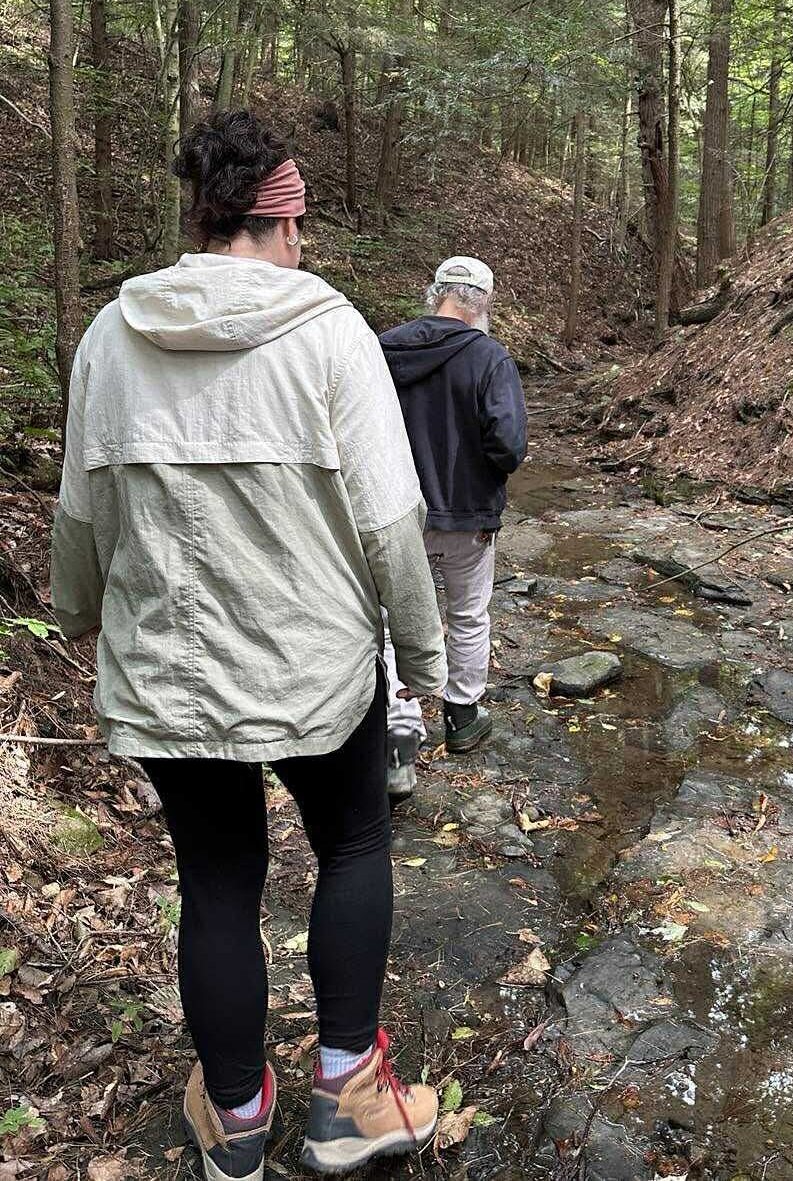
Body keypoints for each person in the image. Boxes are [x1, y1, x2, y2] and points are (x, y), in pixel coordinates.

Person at [50, 110, 446, 1180]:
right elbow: (388, 521)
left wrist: (78, 611)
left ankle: (234, 1118)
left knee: (218, 881)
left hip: (170, 671)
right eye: (298, 223)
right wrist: (427, 661)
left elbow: (84, 510)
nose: (303, 242)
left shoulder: (112, 337)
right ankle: (347, 1096)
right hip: (317, 666)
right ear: (279, 223)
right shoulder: (331, 334)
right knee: (353, 844)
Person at [378, 257, 528, 795]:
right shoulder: (490, 357)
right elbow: (508, 446)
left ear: (434, 293)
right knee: (467, 614)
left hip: (395, 514)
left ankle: (399, 741)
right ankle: (462, 716)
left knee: (391, 624)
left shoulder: (382, 349)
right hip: (468, 515)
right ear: (483, 304)